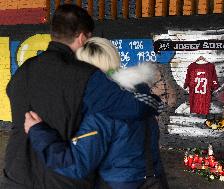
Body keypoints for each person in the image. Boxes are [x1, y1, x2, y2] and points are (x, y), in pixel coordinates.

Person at [3, 5, 162, 189]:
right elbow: (133, 108)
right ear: (81, 37)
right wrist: (150, 99)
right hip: (60, 179)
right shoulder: (86, 76)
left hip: (16, 174)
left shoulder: (24, 71)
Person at [24, 37, 169, 189]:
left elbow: (76, 164)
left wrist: (38, 132)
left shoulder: (104, 109)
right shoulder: (137, 96)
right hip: (154, 181)